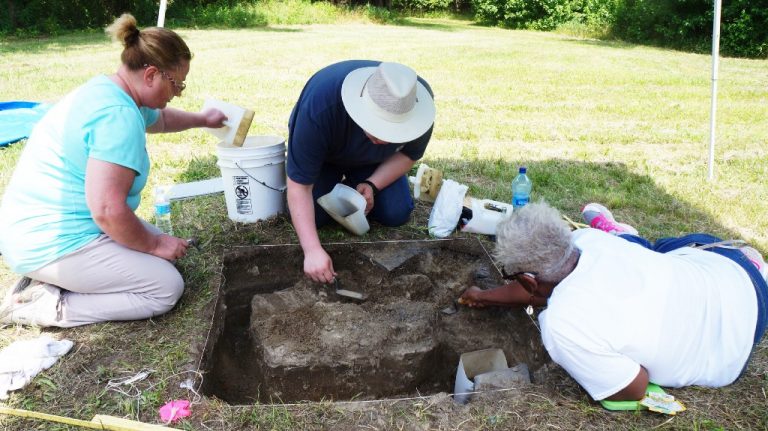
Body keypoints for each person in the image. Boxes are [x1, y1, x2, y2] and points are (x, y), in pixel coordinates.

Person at [0, 14, 226, 327]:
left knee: (167, 247)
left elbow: (158, 119)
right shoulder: (117, 118)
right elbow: (107, 210)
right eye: (177, 84)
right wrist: (155, 245)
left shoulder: (110, 90)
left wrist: (203, 119)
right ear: (150, 75)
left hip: (41, 227)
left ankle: (51, 280)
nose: (177, 93)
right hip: (53, 241)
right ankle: (41, 306)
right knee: (164, 286)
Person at [460, 201, 767, 402]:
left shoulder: (561, 325)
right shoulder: (589, 241)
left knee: (658, 248)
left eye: (511, 275)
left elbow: (634, 388)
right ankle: (623, 234)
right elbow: (536, 289)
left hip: (732, 356)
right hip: (736, 277)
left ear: (528, 279)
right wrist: (484, 297)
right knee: (656, 248)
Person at [287, 60, 436, 284]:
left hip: (373, 163)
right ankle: (332, 182)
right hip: (325, 156)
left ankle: (353, 184)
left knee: (395, 213)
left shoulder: (415, 104)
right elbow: (299, 186)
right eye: (377, 128)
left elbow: (409, 155)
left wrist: (373, 184)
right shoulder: (321, 105)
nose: (383, 139)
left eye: (393, 132)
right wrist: (312, 251)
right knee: (314, 218)